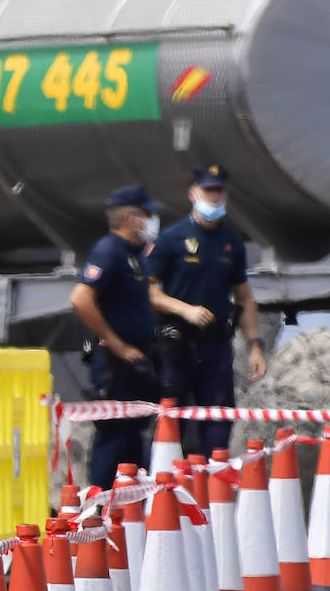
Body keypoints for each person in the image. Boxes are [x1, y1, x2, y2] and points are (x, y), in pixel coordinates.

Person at [147, 164, 267, 456]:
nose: (213, 197)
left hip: (215, 346)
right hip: (177, 344)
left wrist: (255, 347)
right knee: (171, 422)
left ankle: (214, 497)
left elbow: (245, 298)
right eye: (207, 190)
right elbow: (147, 289)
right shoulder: (172, 238)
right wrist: (184, 310)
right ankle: (168, 492)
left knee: (218, 422)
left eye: (218, 191)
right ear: (193, 193)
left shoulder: (232, 243)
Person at [70, 185, 162, 488]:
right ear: (130, 218)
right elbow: (81, 299)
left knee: (133, 438)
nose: (151, 220)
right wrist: (118, 345)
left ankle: (130, 511)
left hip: (136, 363)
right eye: (146, 214)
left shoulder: (134, 256)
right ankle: (101, 508)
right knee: (113, 437)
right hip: (116, 365)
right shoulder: (108, 251)